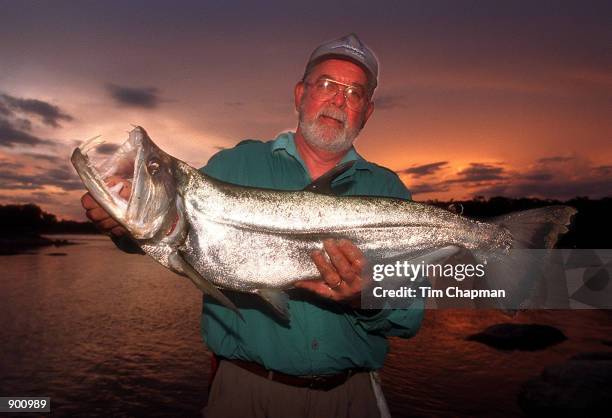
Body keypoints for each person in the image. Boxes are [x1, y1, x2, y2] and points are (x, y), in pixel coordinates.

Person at [81, 33, 425, 418]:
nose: (338, 100)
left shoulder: (388, 189)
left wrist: (366, 297)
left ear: (367, 111)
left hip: (351, 398)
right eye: (326, 85)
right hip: (244, 396)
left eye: (354, 92)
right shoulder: (234, 164)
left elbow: (410, 318)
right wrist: (122, 223)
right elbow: (173, 228)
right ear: (300, 95)